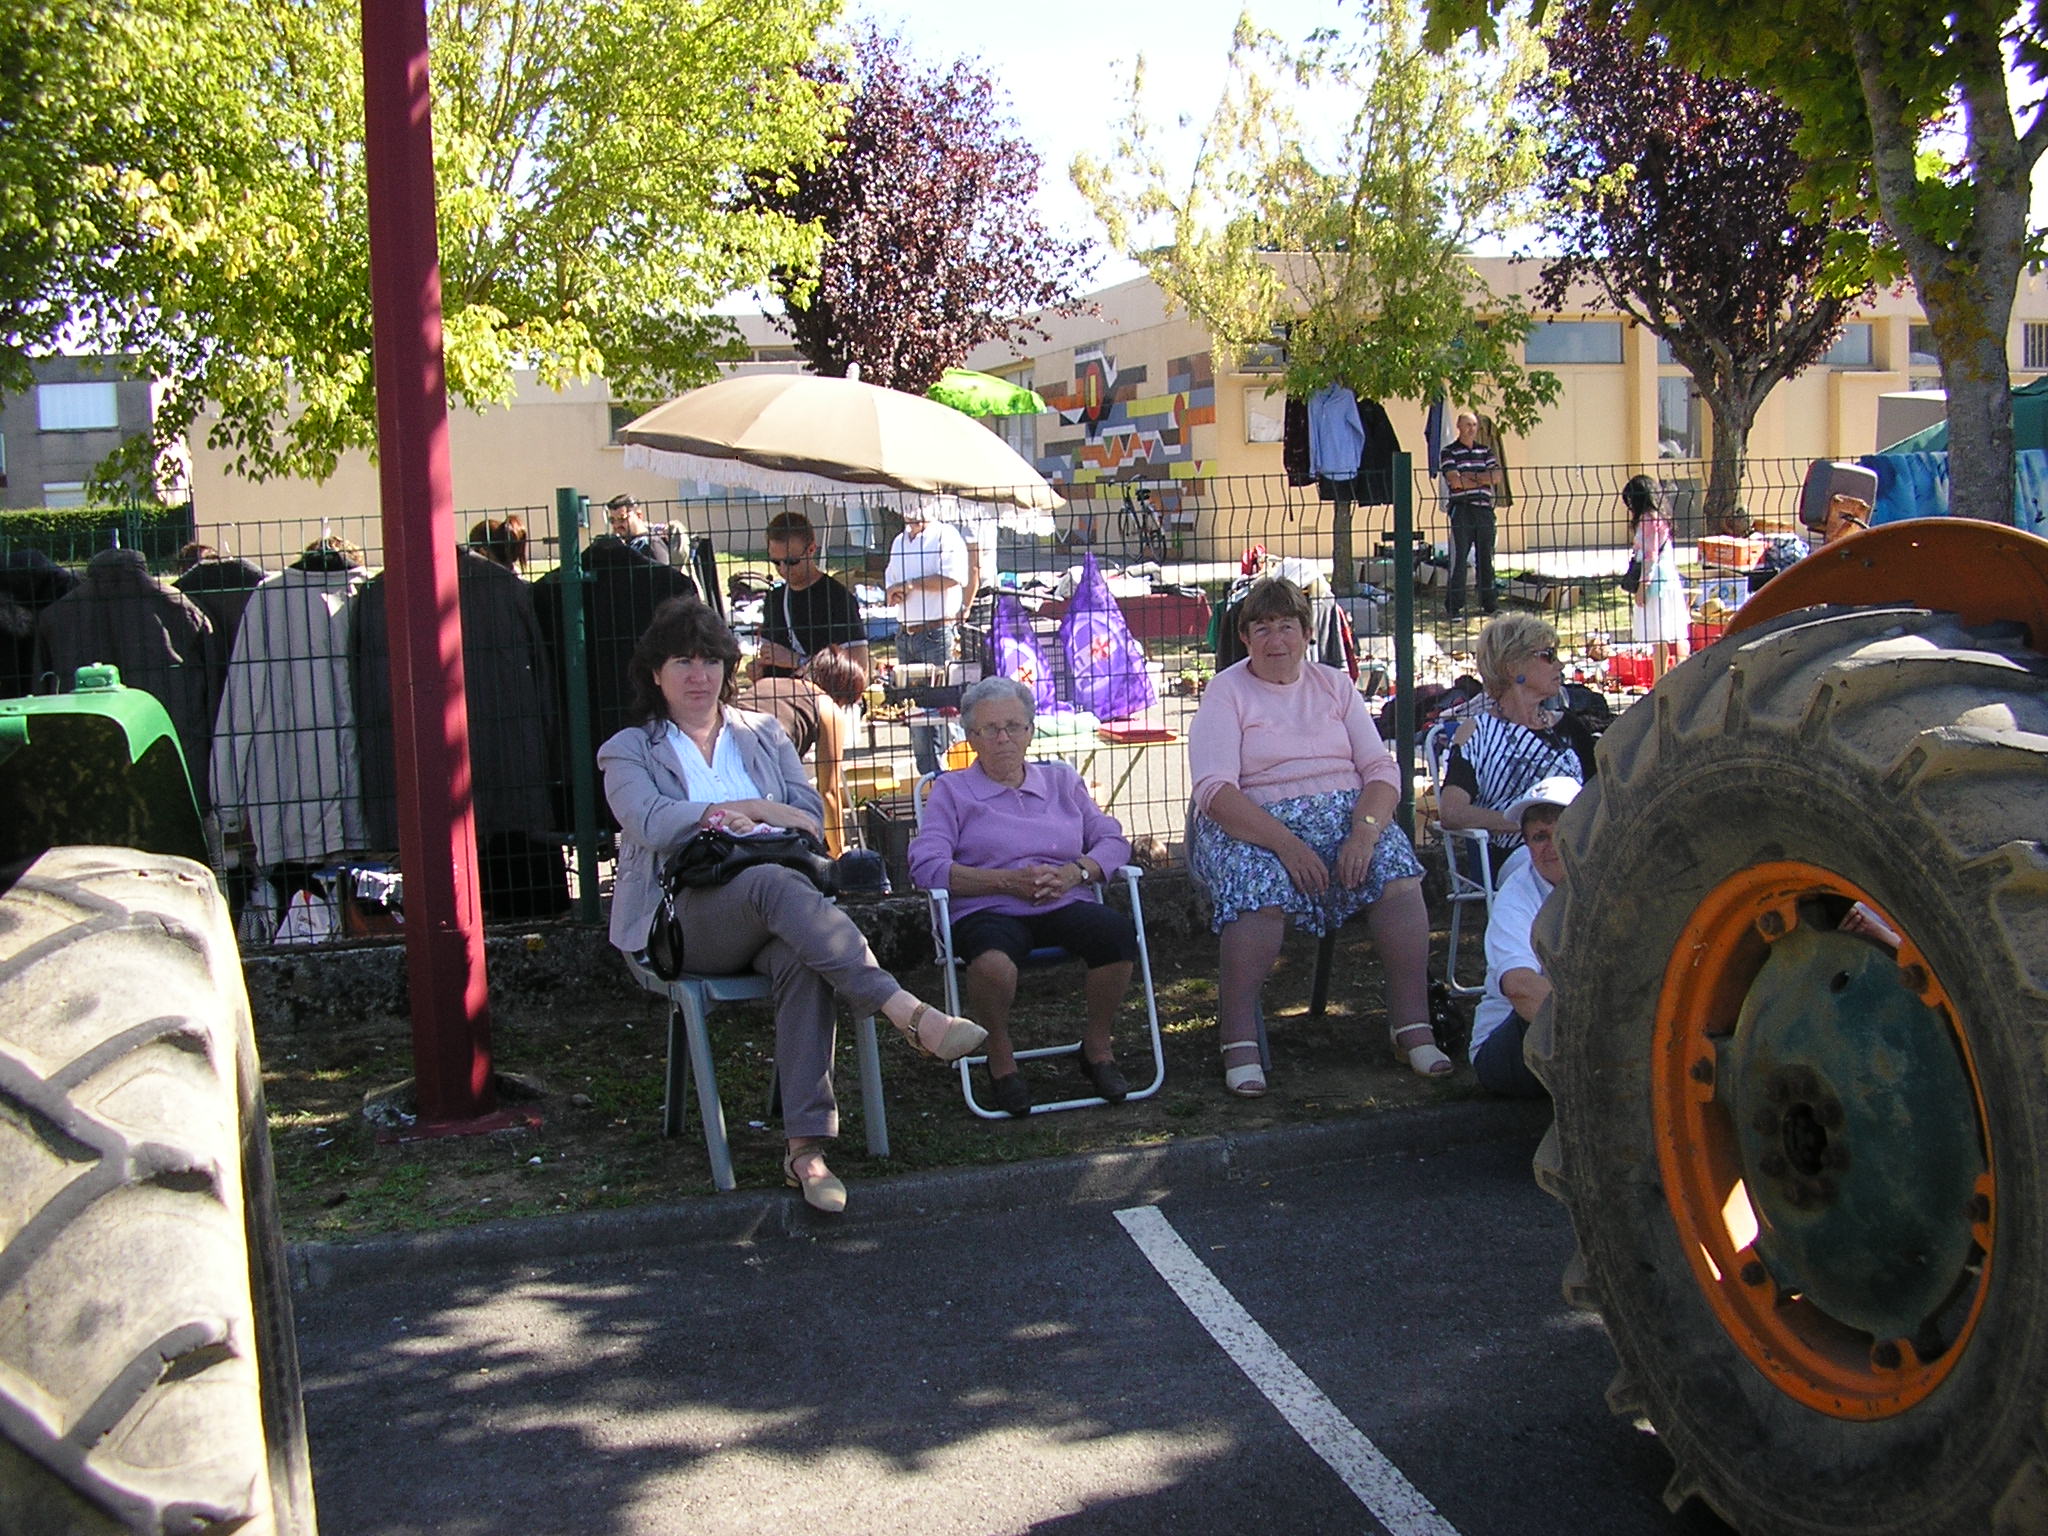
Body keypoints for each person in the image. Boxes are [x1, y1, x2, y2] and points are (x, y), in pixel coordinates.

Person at [599, 598, 985, 1213]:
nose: (699, 675)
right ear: (655, 673)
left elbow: (807, 816)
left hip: (776, 913)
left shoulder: (762, 733)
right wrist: (749, 810)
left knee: (801, 956)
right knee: (775, 886)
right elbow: (651, 821)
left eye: (710, 661)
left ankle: (806, 1153)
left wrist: (752, 816)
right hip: (683, 920)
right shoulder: (629, 749)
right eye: (682, 662)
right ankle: (907, 1013)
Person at [1186, 576, 1443, 1095]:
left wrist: (1364, 833)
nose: (1275, 640)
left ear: (1307, 633)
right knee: (1258, 891)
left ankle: (1412, 1027)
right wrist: (1285, 844)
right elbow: (1214, 790)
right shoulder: (1226, 691)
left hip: (1347, 818)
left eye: (1287, 626)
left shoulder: (1335, 685)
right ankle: (1238, 1039)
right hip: (1254, 825)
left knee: (1397, 877)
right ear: (1244, 637)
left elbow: (1380, 769)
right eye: (1262, 628)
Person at [908, 676, 1139, 1117]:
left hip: (1063, 899)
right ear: (970, 736)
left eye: (1014, 726)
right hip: (988, 907)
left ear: (1031, 731)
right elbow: (926, 865)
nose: (1003, 739)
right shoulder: (952, 792)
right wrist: (1005, 883)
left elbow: (1112, 840)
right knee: (993, 964)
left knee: (1116, 936)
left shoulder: (1061, 781)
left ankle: (1097, 1047)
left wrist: (1075, 873)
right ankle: (1000, 1055)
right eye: (989, 729)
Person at [1437, 613, 1596, 877]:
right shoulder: (1479, 733)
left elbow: (1599, 795)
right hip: (1520, 857)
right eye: (1548, 655)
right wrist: (1529, 824)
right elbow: (1451, 812)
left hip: (1579, 848)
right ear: (1513, 667)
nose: (1559, 664)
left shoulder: (1570, 727)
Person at [1471, 775, 1579, 1097]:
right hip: (1504, 1046)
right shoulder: (1516, 895)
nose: (1552, 847)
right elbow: (1521, 988)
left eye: (1562, 831)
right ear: (1527, 844)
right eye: (1539, 837)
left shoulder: (1607, 878)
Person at [736, 643, 868, 856]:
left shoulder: (769, 683)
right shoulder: (827, 706)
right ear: (843, 691)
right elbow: (829, 792)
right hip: (763, 774)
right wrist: (838, 852)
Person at [883, 502, 970, 773]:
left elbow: (953, 577)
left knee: (946, 715)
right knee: (915, 716)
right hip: (905, 635)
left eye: (918, 504)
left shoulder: (946, 535)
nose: (912, 512)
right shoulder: (899, 541)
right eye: (907, 504)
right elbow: (892, 582)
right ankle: (929, 781)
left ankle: (957, 776)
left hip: (937, 634)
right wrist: (894, 592)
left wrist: (912, 585)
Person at [754, 510, 870, 680]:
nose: (783, 569)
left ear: (811, 549)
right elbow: (769, 659)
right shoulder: (775, 598)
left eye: (791, 561)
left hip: (821, 696)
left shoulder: (838, 599)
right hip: (780, 694)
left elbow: (859, 670)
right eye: (776, 562)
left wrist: (798, 661)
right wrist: (758, 671)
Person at [1626, 474, 1689, 681]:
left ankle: (1659, 680)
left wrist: (1642, 587)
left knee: (1659, 633)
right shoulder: (1659, 516)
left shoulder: (1648, 519)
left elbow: (1650, 556)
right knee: (1666, 633)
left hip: (1655, 582)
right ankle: (1667, 677)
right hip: (1664, 578)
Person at [1441, 410, 1501, 622]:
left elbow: (1496, 476)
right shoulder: (1449, 452)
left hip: (1484, 510)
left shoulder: (1485, 451)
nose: (1471, 429)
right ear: (1458, 426)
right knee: (1459, 560)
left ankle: (1489, 604)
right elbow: (1455, 481)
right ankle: (1454, 607)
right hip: (1462, 509)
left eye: (1474, 425)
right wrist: (1481, 479)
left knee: (1486, 558)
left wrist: (1470, 477)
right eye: (1467, 425)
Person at [605, 494, 671, 566]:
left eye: (622, 519)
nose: (616, 525)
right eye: (612, 520)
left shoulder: (651, 543)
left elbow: (664, 571)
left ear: (639, 515)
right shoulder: (622, 543)